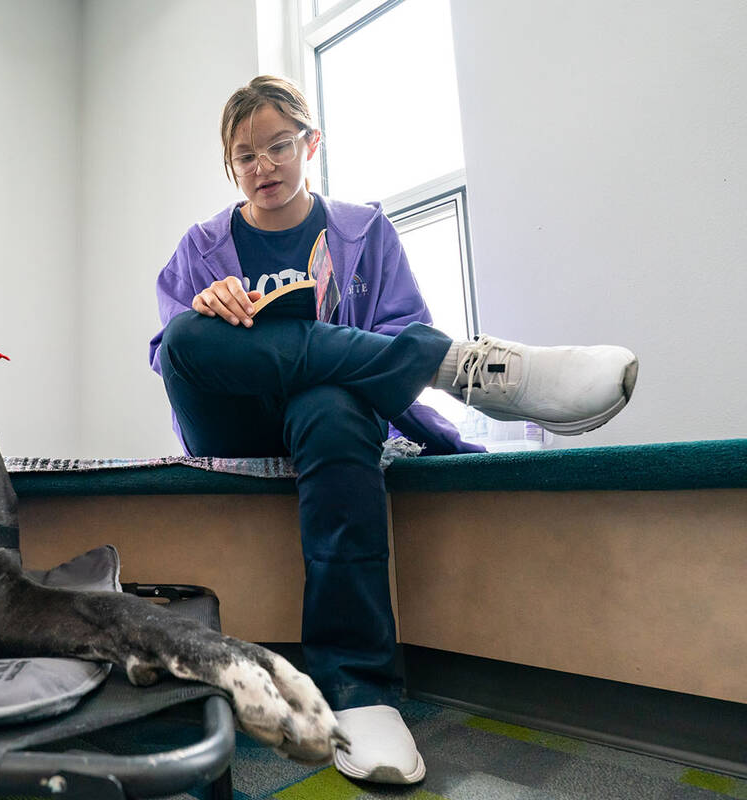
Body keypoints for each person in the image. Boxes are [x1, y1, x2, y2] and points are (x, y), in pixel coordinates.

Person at [148, 75, 637, 785]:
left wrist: (445, 444)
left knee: (334, 402)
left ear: (310, 143)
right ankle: (461, 365)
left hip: (328, 426)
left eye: (279, 145)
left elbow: (384, 351)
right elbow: (172, 358)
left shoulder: (364, 233)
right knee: (189, 334)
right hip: (230, 421)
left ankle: (358, 693)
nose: (264, 167)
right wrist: (209, 306)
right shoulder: (201, 245)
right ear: (231, 168)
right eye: (244, 156)